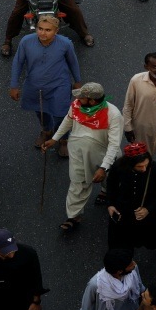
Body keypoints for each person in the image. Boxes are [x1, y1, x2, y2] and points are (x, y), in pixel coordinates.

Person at [46, 82, 121, 232]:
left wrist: (103, 167)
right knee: (77, 182)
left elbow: (113, 145)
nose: (77, 99)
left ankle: (106, 192)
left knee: (109, 180)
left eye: (82, 97)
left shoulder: (112, 114)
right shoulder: (76, 105)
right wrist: (54, 138)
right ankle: (73, 216)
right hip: (77, 153)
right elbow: (68, 120)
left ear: (92, 101)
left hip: (103, 156)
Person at [10, 16, 81, 149]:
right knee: (41, 111)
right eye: (40, 29)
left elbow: (73, 62)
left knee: (61, 114)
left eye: (48, 30)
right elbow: (18, 63)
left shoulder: (65, 43)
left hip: (59, 85)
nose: (43, 33)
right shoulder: (26, 41)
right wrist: (14, 85)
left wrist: (77, 81)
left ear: (56, 31)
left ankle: (63, 139)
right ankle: (47, 131)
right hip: (35, 85)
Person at [106, 144, 156, 251]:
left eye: (146, 164)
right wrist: (110, 204)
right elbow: (111, 185)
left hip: (150, 208)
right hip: (125, 208)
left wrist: (148, 209)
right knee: (120, 241)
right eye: (139, 166)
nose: (144, 169)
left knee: (154, 234)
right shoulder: (118, 166)